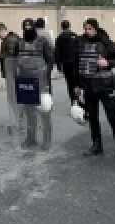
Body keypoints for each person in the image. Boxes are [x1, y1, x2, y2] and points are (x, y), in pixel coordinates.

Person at [75, 19, 115, 164]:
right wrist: (78, 84)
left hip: (105, 85)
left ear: (96, 29)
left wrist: (108, 63)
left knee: (112, 117)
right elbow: (78, 64)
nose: (87, 31)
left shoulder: (106, 42)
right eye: (85, 28)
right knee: (93, 118)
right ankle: (97, 145)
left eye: (90, 28)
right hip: (88, 86)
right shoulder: (81, 42)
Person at [15, 18, 57, 149]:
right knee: (29, 111)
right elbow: (17, 60)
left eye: (30, 27)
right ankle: (31, 138)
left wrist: (45, 75)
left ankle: (47, 140)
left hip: (40, 80)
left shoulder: (42, 41)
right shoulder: (19, 43)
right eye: (25, 27)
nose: (28, 29)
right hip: (25, 80)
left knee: (44, 109)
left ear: (34, 28)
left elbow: (50, 60)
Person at [54, 20, 80, 105]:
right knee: (76, 83)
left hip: (65, 64)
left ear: (62, 27)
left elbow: (57, 53)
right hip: (75, 63)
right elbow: (79, 50)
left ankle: (73, 101)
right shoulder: (74, 36)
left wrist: (58, 66)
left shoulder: (59, 38)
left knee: (69, 83)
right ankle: (77, 100)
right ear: (69, 26)